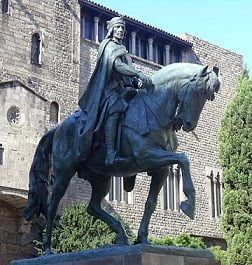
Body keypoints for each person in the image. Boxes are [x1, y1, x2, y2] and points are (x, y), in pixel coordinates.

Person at [78, 16, 153, 166]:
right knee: (115, 109)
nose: (120, 31)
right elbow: (118, 67)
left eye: (122, 29)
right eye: (117, 28)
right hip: (109, 91)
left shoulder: (123, 50)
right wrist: (137, 73)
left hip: (123, 89)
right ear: (112, 30)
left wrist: (138, 82)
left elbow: (126, 74)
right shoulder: (109, 46)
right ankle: (110, 154)